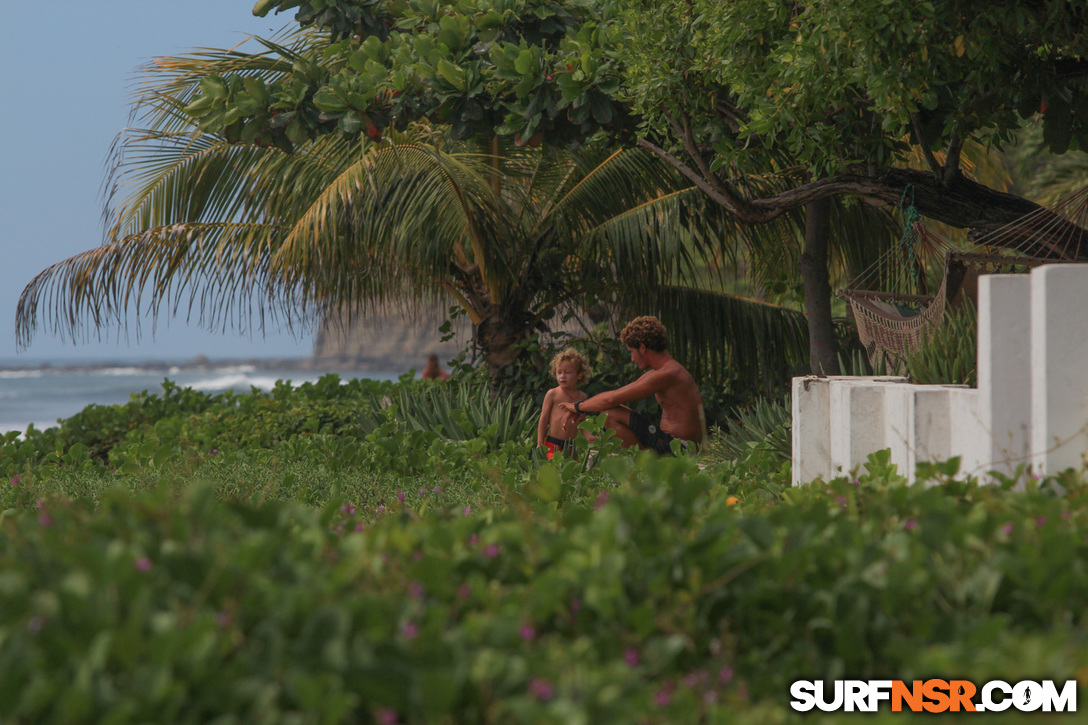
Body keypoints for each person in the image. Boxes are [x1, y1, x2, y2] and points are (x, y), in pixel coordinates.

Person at [558, 316, 705, 454]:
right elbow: (614, 396)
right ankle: (645, 463)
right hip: (670, 442)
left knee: (610, 414)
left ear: (642, 348)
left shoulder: (668, 374)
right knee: (613, 411)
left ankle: (646, 466)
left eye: (631, 352)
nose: (632, 359)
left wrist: (576, 406)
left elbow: (611, 399)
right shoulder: (660, 372)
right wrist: (581, 408)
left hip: (683, 448)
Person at [536, 347, 591, 460]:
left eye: (567, 372)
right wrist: (540, 442)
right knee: (552, 472)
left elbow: (581, 421)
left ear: (579, 375)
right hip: (552, 444)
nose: (562, 376)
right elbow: (544, 418)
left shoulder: (582, 397)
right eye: (559, 372)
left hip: (570, 446)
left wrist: (589, 437)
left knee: (572, 473)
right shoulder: (553, 394)